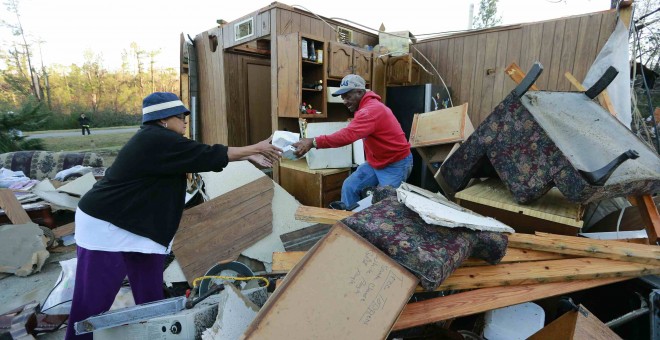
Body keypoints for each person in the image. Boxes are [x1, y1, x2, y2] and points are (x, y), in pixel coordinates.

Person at [64, 92, 282, 340]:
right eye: (181, 116)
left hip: (137, 226)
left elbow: (198, 157)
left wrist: (248, 155)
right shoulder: (156, 139)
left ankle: (156, 333)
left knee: (150, 293)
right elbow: (205, 154)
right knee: (93, 299)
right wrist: (254, 148)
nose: (186, 120)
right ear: (164, 119)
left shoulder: (161, 142)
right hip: (106, 225)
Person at [293, 74, 412, 208]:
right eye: (343, 98)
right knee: (350, 186)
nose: (344, 101)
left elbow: (347, 136)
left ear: (360, 92)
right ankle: (350, 222)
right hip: (376, 162)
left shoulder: (370, 110)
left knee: (386, 205)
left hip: (395, 163)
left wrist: (313, 142)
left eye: (348, 96)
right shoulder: (366, 108)